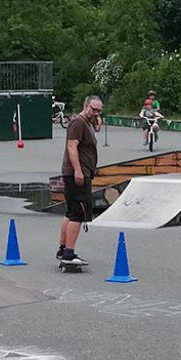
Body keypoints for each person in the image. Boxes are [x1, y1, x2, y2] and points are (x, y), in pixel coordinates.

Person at [58, 95, 102, 267]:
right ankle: (69, 253)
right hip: (77, 173)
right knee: (78, 212)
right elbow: (71, 146)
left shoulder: (86, 123)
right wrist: (77, 170)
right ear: (86, 106)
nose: (96, 113)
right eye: (94, 109)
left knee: (71, 212)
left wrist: (96, 124)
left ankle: (63, 248)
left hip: (80, 172)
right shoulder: (78, 122)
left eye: (99, 110)